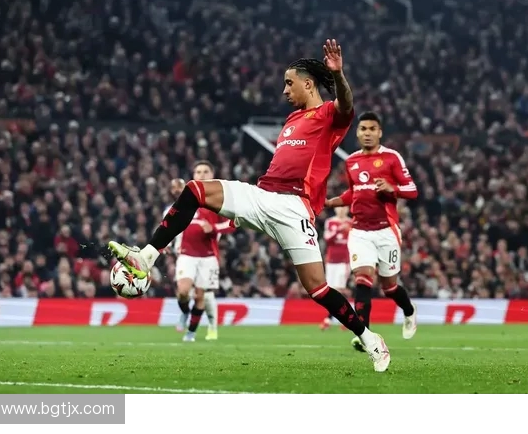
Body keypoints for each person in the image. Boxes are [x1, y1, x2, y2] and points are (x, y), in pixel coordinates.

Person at [108, 39, 391, 372]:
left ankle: (370, 339)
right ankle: (146, 256)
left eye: (289, 83)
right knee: (195, 190)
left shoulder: (328, 114)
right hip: (261, 195)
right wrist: (243, 212)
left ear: (308, 84)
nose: (284, 90)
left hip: (294, 208)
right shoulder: (291, 120)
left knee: (317, 288)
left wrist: (339, 74)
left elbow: (346, 103)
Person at [325, 111, 418, 352]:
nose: (367, 133)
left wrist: (392, 188)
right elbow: (353, 192)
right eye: (363, 129)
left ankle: (409, 311)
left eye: (372, 129)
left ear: (380, 132)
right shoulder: (351, 161)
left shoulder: (391, 157)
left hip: (386, 231)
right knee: (362, 279)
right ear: (357, 133)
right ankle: (364, 334)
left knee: (389, 287)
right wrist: (331, 202)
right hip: (360, 231)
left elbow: (412, 190)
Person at [165, 164, 234, 342]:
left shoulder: (220, 200)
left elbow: (233, 223)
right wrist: (166, 243)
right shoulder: (186, 199)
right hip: (186, 254)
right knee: (183, 291)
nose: (202, 175)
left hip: (208, 256)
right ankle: (185, 313)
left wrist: (214, 228)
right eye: (198, 172)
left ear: (212, 174)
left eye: (205, 172)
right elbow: (169, 223)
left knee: (201, 296)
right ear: (193, 175)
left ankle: (192, 333)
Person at [320, 206, 352, 330]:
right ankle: (347, 317)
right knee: (331, 291)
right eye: (339, 207)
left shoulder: (351, 223)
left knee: (339, 289)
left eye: (344, 207)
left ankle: (330, 319)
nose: (341, 210)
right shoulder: (330, 222)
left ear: (348, 209)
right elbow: (327, 238)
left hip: (344, 260)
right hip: (331, 260)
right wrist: (339, 229)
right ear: (335, 209)